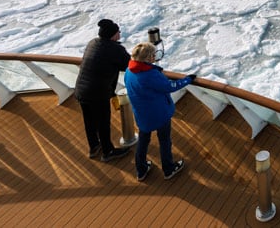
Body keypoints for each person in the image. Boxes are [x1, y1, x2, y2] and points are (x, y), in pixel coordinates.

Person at [125, 41, 195, 181]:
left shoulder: (129, 71)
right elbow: (170, 86)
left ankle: (141, 169)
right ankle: (168, 169)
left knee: (143, 140)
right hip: (158, 113)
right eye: (154, 54)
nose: (155, 56)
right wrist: (187, 80)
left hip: (142, 113)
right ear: (148, 58)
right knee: (164, 141)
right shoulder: (149, 75)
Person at [74, 18, 131, 162]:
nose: (120, 34)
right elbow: (129, 64)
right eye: (118, 32)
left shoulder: (93, 43)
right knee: (103, 122)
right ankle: (108, 151)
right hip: (97, 93)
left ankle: (94, 147)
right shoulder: (115, 49)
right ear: (114, 34)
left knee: (89, 121)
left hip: (82, 90)